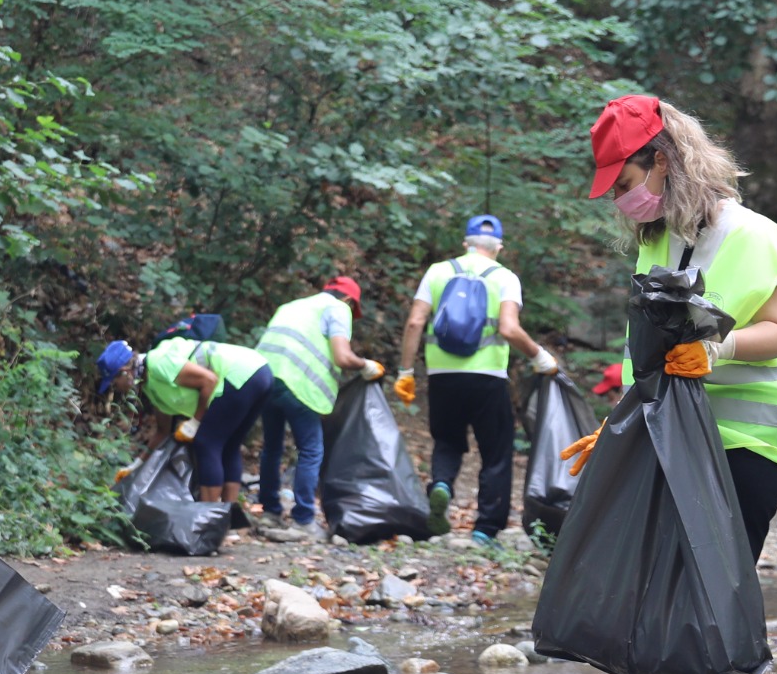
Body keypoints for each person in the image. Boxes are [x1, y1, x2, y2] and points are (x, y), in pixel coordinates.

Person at [584, 94, 777, 674]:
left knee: (715, 600)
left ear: (665, 159)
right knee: (684, 598)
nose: (623, 198)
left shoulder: (754, 235)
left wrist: (718, 348)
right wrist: (618, 424)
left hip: (746, 447)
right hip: (680, 441)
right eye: (615, 188)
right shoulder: (657, 239)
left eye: (627, 180)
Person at [396, 214, 558, 542]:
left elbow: (415, 322)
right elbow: (509, 329)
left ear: (465, 243)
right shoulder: (505, 277)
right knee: (496, 452)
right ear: (498, 246)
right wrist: (540, 356)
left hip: (443, 375)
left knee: (447, 440)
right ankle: (485, 529)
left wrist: (406, 371)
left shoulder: (437, 271)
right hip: (487, 377)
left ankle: (441, 484)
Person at [256, 276, 380, 539]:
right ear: (348, 300)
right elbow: (342, 356)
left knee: (272, 447)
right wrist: (366, 366)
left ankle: (269, 513)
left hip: (263, 380)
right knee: (311, 450)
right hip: (297, 384)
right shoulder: (337, 308)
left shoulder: (290, 306)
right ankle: (303, 521)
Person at [116, 330, 274, 503]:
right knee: (229, 446)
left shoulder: (157, 362)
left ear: (125, 371)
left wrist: (195, 422)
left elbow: (209, 380)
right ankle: (231, 522)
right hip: (258, 371)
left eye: (113, 382)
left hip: (243, 372)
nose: (114, 388)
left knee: (206, 442)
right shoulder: (150, 387)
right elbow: (162, 432)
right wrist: (136, 465)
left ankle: (208, 519)